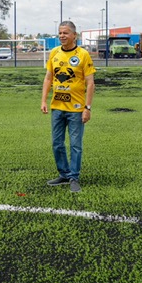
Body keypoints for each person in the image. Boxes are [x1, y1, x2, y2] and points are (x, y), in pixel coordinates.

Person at [41, 21, 96, 193]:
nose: (62, 36)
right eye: (60, 33)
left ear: (74, 35)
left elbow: (90, 83)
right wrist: (43, 101)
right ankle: (64, 174)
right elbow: (48, 78)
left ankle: (74, 177)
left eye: (65, 33)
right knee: (57, 143)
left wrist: (87, 108)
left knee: (75, 145)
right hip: (57, 107)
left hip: (76, 109)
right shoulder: (54, 53)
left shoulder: (83, 55)